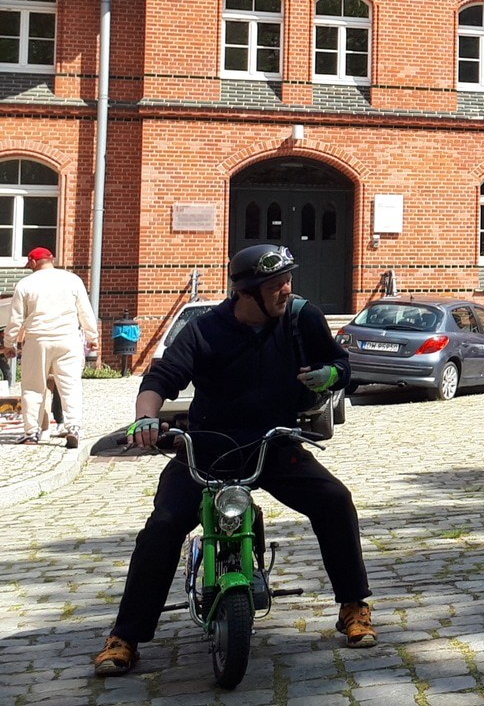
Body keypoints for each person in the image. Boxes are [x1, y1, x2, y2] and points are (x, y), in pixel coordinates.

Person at [91, 244, 376, 677]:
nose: (286, 290)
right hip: (209, 447)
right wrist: (144, 418)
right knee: (164, 525)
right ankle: (125, 636)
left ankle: (353, 605)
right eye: (275, 285)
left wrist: (331, 375)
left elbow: (341, 365)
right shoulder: (206, 330)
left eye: (288, 281)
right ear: (245, 292)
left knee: (335, 501)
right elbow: (161, 378)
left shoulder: (302, 318)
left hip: (273, 443)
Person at [4, 246, 98, 448]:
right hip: (68, 338)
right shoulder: (72, 280)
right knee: (71, 385)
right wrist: (92, 337)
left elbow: (15, 318)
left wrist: (9, 344)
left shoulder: (25, 284)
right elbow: (85, 310)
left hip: (38, 339)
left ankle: (32, 432)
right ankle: (73, 427)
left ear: (33, 262)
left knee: (33, 387)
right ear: (52, 259)